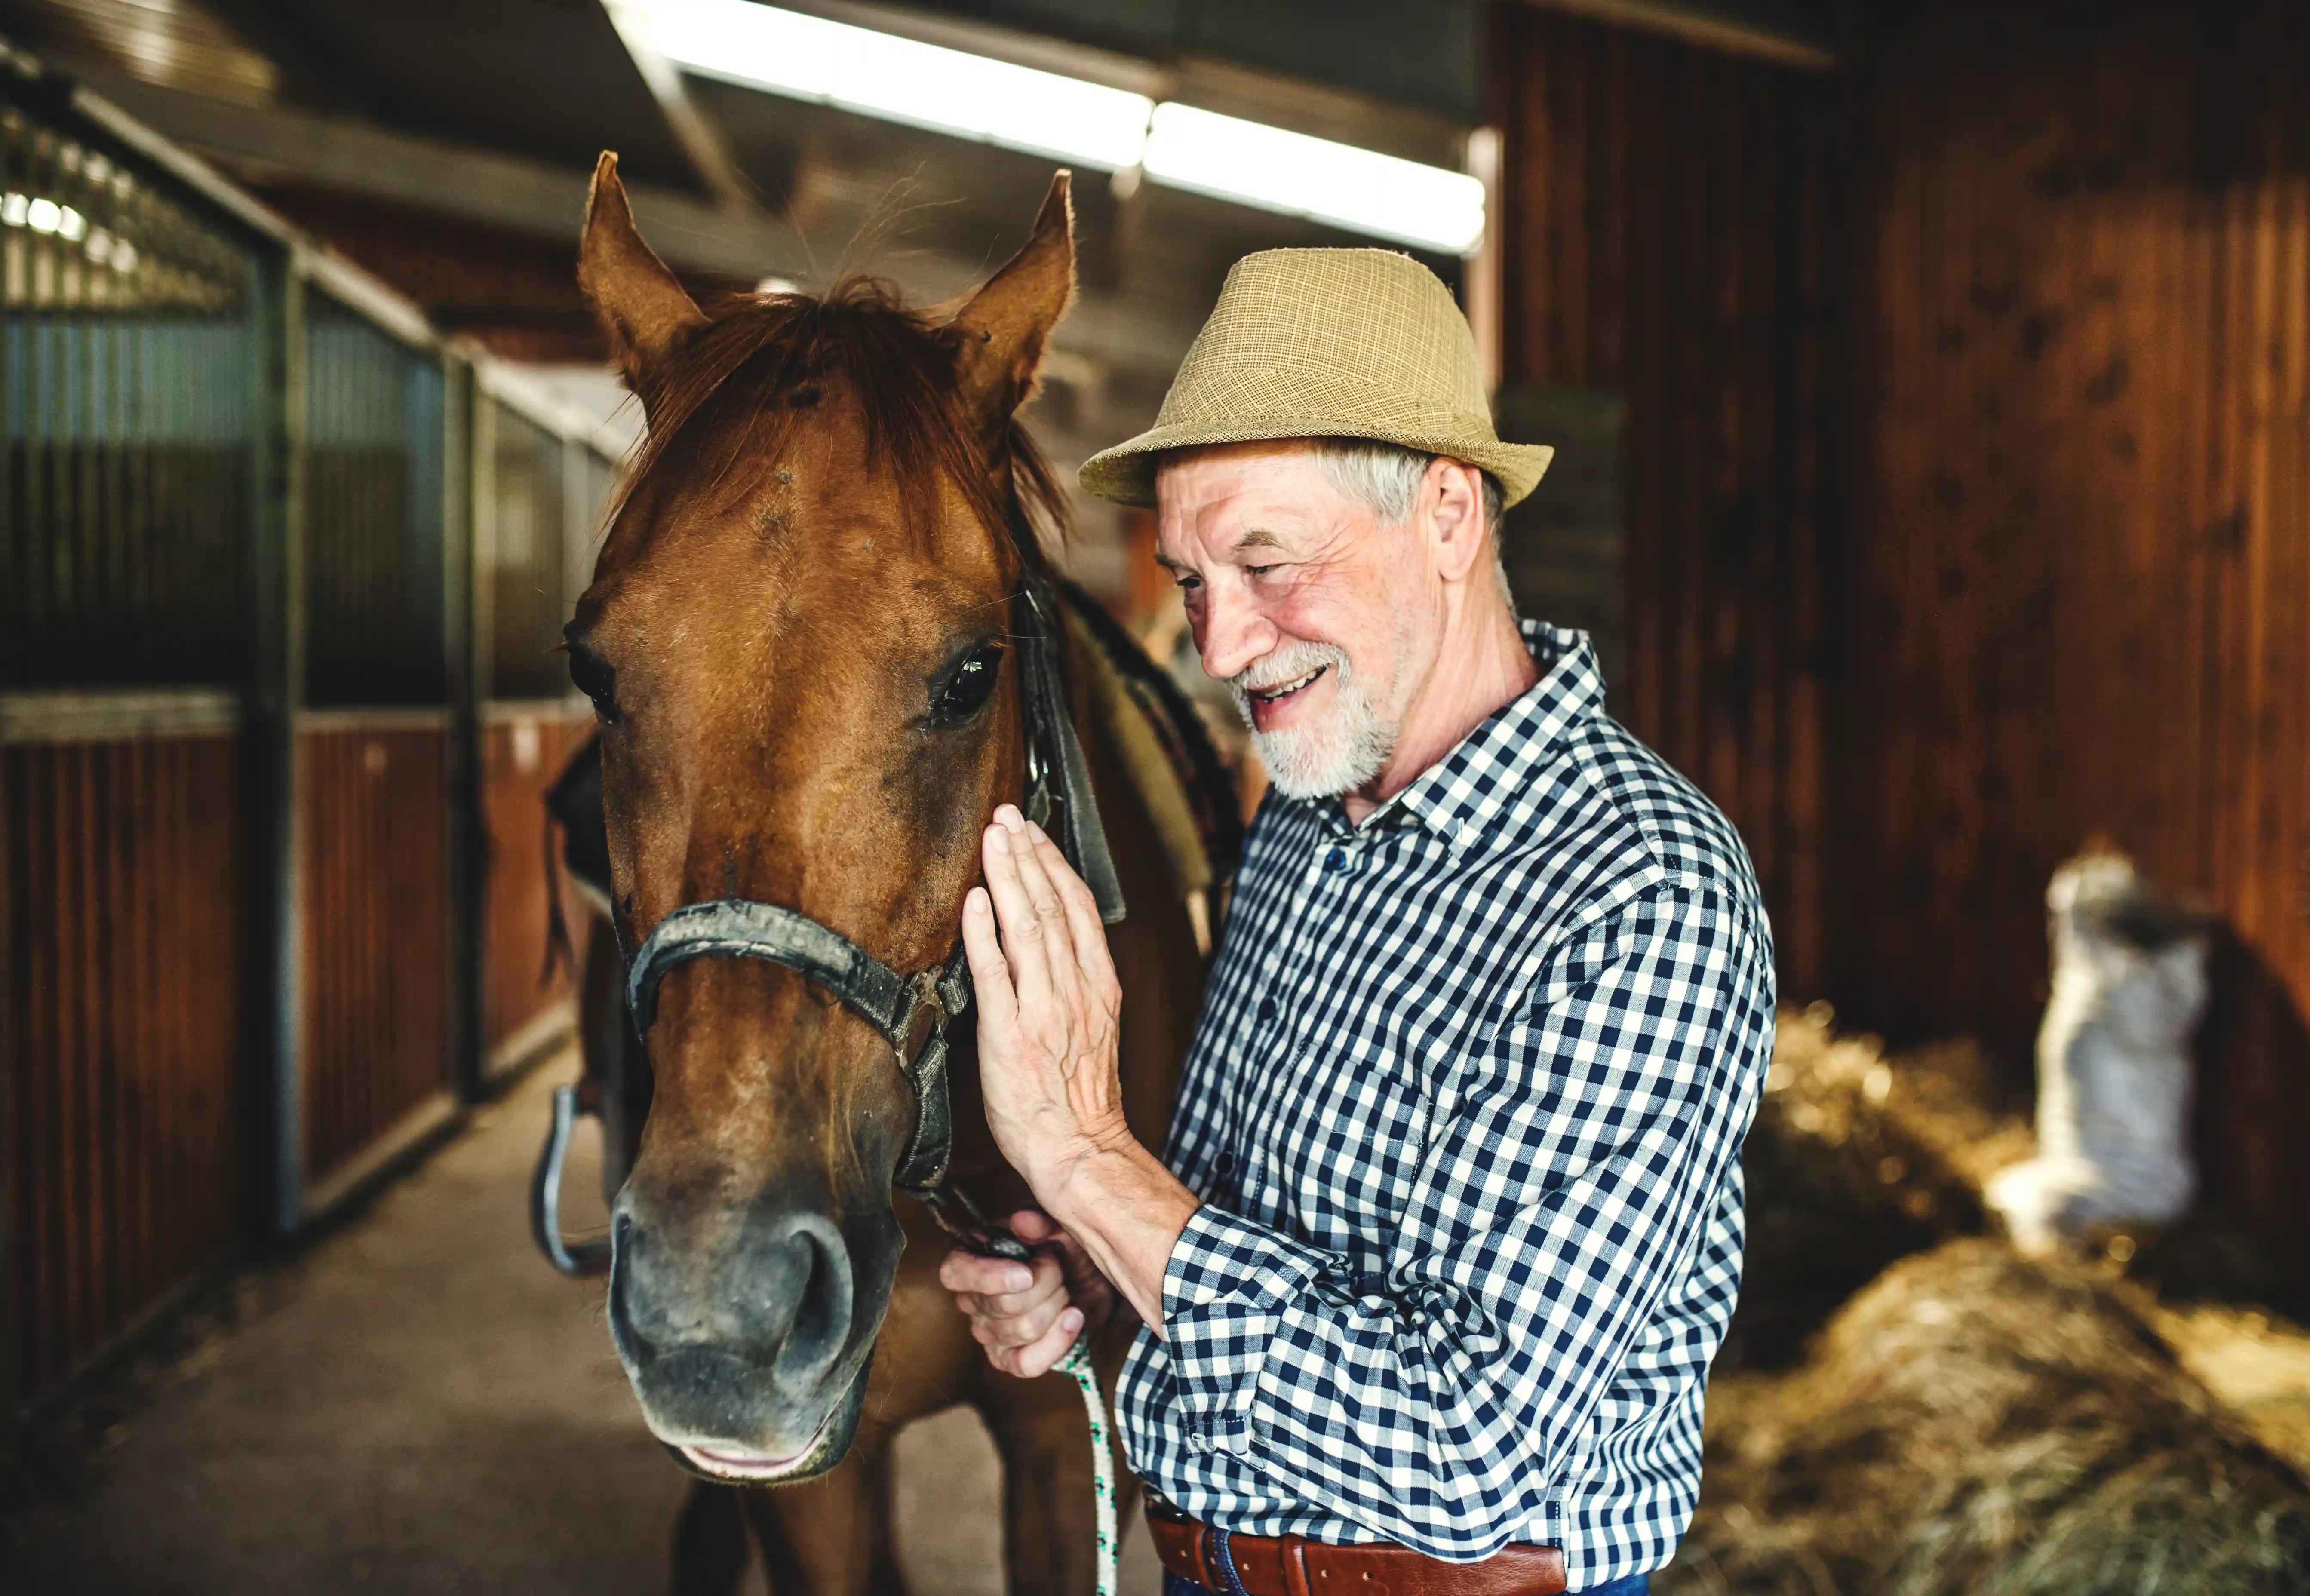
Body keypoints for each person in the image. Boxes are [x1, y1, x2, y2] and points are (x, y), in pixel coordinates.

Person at [940, 248, 1775, 1596]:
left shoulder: (1640, 891)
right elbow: (1242, 1225)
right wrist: (1101, 1269)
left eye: (1266, 562)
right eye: (1194, 580)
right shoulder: (1306, 808)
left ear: (1447, 515)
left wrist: (1089, 1162)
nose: (1218, 648)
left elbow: (1465, 1450)